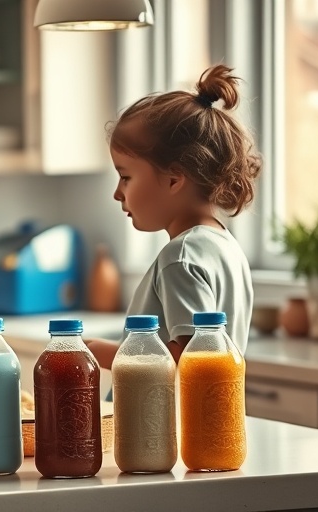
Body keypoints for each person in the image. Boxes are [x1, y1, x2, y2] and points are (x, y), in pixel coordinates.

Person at [85, 64, 262, 370]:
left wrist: (108, 355)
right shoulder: (226, 247)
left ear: (173, 180)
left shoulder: (179, 258)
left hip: (170, 405)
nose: (117, 193)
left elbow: (193, 360)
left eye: (126, 177)